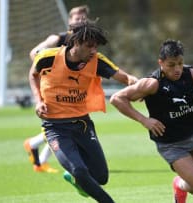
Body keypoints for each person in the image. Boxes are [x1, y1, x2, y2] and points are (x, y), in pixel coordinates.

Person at [110, 39, 193, 203]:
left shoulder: (191, 74)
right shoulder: (152, 84)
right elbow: (117, 99)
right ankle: (180, 185)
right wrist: (144, 120)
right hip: (172, 145)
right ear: (160, 63)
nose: (177, 69)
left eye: (180, 63)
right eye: (171, 65)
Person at [28, 20, 137, 202]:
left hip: (83, 125)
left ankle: (76, 180)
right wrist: (38, 101)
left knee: (101, 177)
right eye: (89, 46)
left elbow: (125, 77)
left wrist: (140, 83)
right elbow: (33, 74)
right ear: (76, 43)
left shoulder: (96, 61)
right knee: (80, 170)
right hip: (55, 128)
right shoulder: (48, 58)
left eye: (96, 46)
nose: (94, 51)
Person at [23, 5, 90, 173]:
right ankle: (37, 153)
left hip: (71, 92)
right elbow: (34, 53)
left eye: (83, 19)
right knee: (59, 126)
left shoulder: (86, 43)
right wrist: (48, 71)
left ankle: (37, 154)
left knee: (64, 127)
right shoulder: (57, 39)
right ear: (69, 21)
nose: (80, 21)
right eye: (77, 19)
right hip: (52, 91)